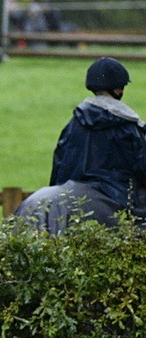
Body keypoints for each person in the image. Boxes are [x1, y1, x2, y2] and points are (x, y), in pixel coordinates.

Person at [50, 58, 146, 219]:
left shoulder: (74, 123)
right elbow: (142, 165)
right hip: (117, 193)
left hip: (69, 191)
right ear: (118, 89)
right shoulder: (127, 126)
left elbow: (59, 161)